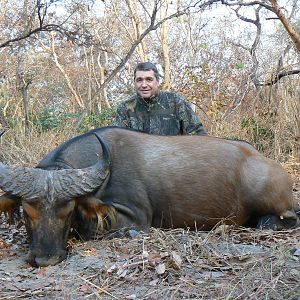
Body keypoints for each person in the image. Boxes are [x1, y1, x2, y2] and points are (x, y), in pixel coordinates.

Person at [113, 62, 207, 136]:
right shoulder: (125, 108)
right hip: (137, 159)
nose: (144, 85)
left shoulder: (175, 102)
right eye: (139, 80)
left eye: (149, 79)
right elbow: (117, 140)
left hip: (173, 158)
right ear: (134, 82)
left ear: (157, 82)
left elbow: (197, 133)